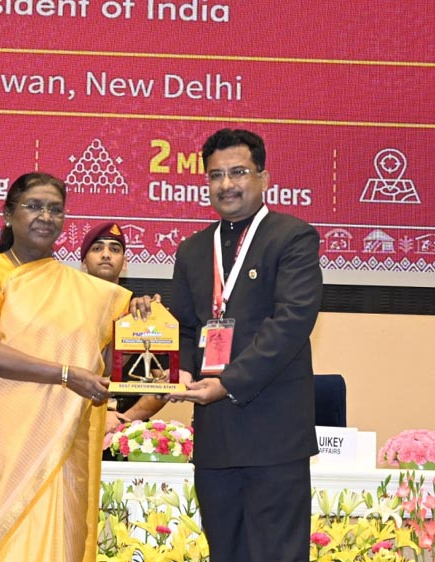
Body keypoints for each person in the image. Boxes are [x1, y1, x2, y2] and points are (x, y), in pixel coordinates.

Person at [134, 129, 322, 562]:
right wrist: (179, 368)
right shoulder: (193, 250)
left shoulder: (293, 237)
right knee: (226, 553)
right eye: (216, 175)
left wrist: (228, 382)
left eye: (238, 172)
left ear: (264, 178)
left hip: (274, 435)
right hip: (215, 437)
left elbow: (292, 322)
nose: (226, 184)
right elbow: (185, 328)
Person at [0, 172, 131, 562]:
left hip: (60, 445)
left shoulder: (82, 290)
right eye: (34, 206)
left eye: (55, 209)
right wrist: (65, 374)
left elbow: (110, 364)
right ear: (8, 214)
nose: (46, 216)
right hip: (2, 441)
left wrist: (140, 320)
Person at [79, 222, 167, 455]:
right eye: (97, 248)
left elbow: (165, 382)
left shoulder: (142, 313)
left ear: (125, 262)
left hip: (129, 434)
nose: (106, 254)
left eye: (115, 249)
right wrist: (97, 417)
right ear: (83, 263)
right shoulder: (67, 311)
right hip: (75, 425)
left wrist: (124, 421)